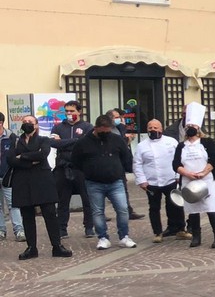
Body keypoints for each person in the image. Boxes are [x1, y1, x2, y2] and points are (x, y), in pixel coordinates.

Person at [5, 115, 71, 259]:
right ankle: (31, 248)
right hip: (22, 182)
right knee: (27, 215)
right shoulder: (15, 141)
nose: (27, 124)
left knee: (50, 213)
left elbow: (42, 155)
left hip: (42, 180)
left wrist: (21, 157)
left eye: (30, 122)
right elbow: (10, 159)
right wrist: (30, 160)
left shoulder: (43, 140)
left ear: (36, 125)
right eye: (24, 122)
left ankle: (57, 246)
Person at [72, 114, 135, 250]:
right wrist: (88, 172)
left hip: (115, 181)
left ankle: (124, 236)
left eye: (108, 131)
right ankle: (103, 237)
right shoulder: (83, 142)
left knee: (123, 209)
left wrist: (120, 170)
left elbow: (126, 157)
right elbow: (76, 161)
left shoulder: (117, 140)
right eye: (103, 132)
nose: (106, 134)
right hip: (94, 183)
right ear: (96, 128)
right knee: (97, 211)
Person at [174, 103, 215, 248]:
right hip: (188, 181)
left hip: (207, 180)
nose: (190, 128)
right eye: (188, 125)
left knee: (211, 208)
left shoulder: (207, 142)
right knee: (193, 210)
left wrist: (204, 172)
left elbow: (214, 158)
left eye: (193, 125)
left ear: (198, 128)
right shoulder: (181, 146)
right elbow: (176, 164)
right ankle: (196, 236)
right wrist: (188, 173)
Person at [133, 118, 185, 242]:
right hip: (151, 182)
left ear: (161, 129)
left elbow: (179, 159)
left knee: (175, 205)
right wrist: (141, 180)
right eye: (150, 128)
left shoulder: (171, 141)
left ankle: (180, 229)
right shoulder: (141, 146)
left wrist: (178, 176)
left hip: (171, 179)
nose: (153, 130)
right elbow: (137, 164)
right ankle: (157, 232)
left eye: (155, 128)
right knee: (154, 208)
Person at [52, 99, 94, 239]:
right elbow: (54, 144)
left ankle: (89, 227)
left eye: (72, 111)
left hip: (82, 168)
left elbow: (86, 144)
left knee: (87, 199)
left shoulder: (88, 127)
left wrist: (64, 143)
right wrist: (76, 141)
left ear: (79, 111)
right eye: (67, 111)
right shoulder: (58, 127)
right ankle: (61, 228)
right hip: (63, 167)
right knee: (63, 200)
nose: (69, 114)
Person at [0, 113, 25, 243]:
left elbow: (18, 155)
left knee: (13, 204)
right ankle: (1, 230)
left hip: (7, 175)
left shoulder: (11, 137)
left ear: (1, 123)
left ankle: (19, 230)